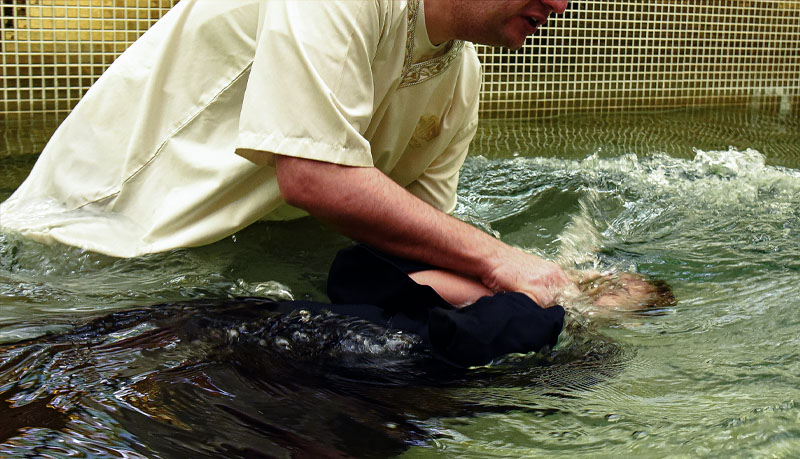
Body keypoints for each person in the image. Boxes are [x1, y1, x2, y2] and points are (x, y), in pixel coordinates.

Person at [0, 0, 570, 308]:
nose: (560, 4)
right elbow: (315, 176)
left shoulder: (461, 77)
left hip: (216, 274)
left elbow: (409, 241)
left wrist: (554, 292)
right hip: (79, 249)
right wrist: (498, 259)